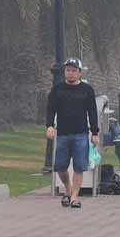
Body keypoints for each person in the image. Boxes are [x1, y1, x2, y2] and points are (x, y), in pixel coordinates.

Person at [45, 58, 100, 209]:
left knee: (79, 166)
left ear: (80, 73)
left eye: (74, 70)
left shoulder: (87, 90)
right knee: (60, 167)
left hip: (81, 134)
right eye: (68, 70)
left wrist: (95, 133)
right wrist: (49, 126)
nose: (70, 73)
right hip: (62, 134)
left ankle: (75, 196)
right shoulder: (57, 89)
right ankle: (68, 189)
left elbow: (92, 112)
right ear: (65, 72)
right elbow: (51, 109)